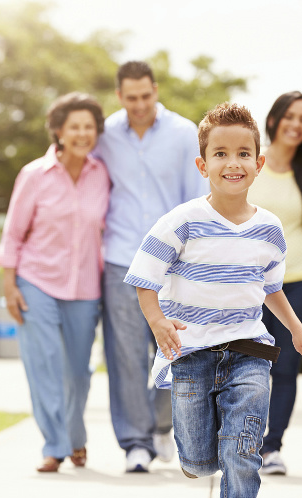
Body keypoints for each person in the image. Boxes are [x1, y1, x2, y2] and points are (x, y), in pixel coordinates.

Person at [125, 103, 302, 498]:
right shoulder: (182, 222)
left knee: (243, 454)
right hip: (191, 354)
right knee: (198, 460)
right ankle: (198, 453)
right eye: (221, 154)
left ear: (259, 164)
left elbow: (271, 288)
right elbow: (143, 278)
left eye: (243, 154)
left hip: (249, 352)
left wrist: (296, 330)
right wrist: (158, 323)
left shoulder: (270, 229)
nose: (233, 163)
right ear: (203, 163)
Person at [94, 60, 209, 473]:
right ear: (120, 96)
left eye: (146, 96)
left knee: (171, 349)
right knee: (123, 354)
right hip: (119, 258)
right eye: (131, 98)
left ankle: (162, 424)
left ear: (155, 90)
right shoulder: (104, 135)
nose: (139, 104)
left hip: (168, 264)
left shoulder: (183, 133)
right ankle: (135, 444)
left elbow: (195, 199)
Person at [0, 92, 108, 473]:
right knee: (44, 364)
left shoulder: (101, 175)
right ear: (59, 131)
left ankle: (75, 436)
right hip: (35, 282)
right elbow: (12, 234)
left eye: (88, 127)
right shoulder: (33, 175)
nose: (81, 133)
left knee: (77, 371)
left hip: (85, 287)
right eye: (74, 126)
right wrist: (9, 285)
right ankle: (54, 445)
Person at [246, 91, 302, 476]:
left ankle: (271, 446)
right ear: (274, 118)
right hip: (249, 282)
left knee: (286, 362)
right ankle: (242, 440)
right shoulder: (251, 161)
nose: (296, 125)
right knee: (247, 361)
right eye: (290, 116)